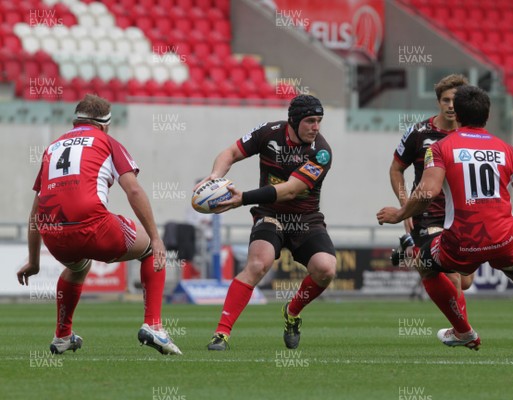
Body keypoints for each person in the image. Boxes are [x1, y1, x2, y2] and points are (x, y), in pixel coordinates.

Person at [377, 86, 513, 357]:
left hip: (462, 239)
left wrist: (400, 213)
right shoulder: (508, 151)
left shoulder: (441, 147)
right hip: (504, 238)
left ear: (460, 115)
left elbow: (428, 191)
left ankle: (463, 330)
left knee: (425, 265)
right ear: (487, 116)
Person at [17, 94, 181, 355]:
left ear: (75, 122)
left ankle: (62, 336)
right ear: (105, 125)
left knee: (78, 267)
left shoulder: (52, 148)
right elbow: (134, 192)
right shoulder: (107, 141)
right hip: (93, 226)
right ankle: (153, 325)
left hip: (54, 234)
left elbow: (35, 211)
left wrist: (34, 261)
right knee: (150, 249)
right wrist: (157, 237)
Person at [198, 94, 336, 350]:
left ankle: (292, 312)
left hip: (305, 218)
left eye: (319, 121)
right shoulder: (268, 132)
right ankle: (221, 334)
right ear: (293, 121)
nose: (316, 127)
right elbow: (230, 153)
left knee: (326, 269)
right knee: (258, 263)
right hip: (270, 214)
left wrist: (243, 198)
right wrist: (214, 178)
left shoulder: (321, 152)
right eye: (310, 121)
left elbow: (292, 189)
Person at [389, 73, 474, 302]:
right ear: (438, 102)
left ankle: (410, 249)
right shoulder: (419, 133)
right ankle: (463, 332)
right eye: (446, 100)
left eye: (455, 100)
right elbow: (396, 169)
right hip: (428, 216)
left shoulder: (469, 134)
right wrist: (405, 203)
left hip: (460, 216)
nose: (451, 105)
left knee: (465, 280)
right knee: (452, 275)